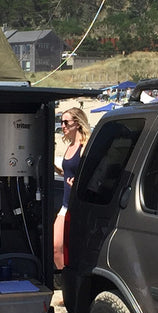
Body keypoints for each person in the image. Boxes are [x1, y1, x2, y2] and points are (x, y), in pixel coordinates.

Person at [53, 106, 91, 269]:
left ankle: (66, 276)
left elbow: (90, 175)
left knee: (66, 247)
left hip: (79, 205)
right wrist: (54, 168)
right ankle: (63, 275)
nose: (63, 126)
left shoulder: (84, 146)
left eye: (66, 122)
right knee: (56, 247)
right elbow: (67, 173)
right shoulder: (70, 146)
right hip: (66, 204)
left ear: (77, 123)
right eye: (61, 122)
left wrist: (78, 182)